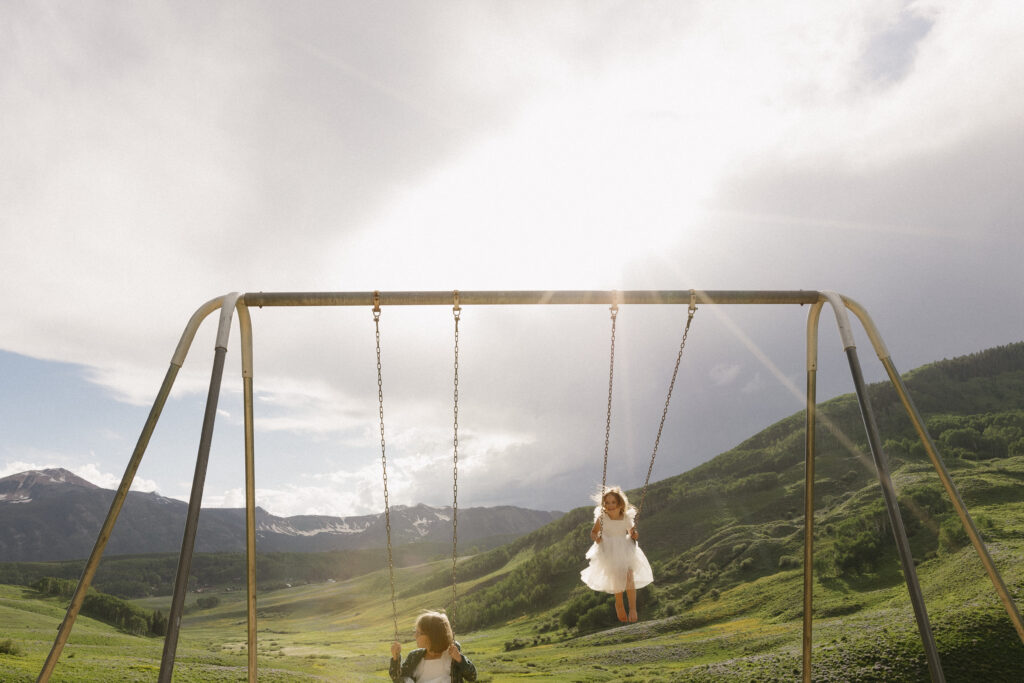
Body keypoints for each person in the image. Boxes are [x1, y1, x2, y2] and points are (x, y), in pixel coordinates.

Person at [579, 486, 654, 622]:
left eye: (613, 502)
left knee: (629, 577)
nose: (610, 505)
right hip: (609, 549)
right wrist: (597, 538)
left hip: (625, 548)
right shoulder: (602, 518)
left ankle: (632, 608)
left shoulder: (625, 517)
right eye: (607, 503)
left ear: (619, 503)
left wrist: (634, 534)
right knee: (617, 579)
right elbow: (593, 532)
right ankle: (619, 604)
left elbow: (632, 532)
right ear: (604, 505)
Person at [389, 610, 477, 683]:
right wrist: (395, 659)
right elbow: (397, 678)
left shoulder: (451, 655)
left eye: (419, 633)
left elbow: (472, 677)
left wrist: (460, 659)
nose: (415, 636)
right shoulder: (414, 657)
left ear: (432, 636)